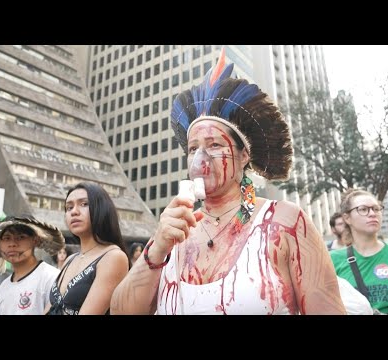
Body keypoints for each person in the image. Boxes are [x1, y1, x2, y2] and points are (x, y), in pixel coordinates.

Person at [111, 48, 346, 315]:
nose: (200, 158)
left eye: (214, 145)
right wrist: (157, 247)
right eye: (192, 149)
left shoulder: (286, 223)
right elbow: (121, 311)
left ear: (244, 154)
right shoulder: (174, 233)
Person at [45, 182, 130, 315]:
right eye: (69, 207)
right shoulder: (69, 260)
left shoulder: (113, 257)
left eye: (84, 204)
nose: (74, 212)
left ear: (102, 209)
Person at [0, 215, 63, 315]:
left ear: (35, 240)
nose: (12, 244)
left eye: (21, 237)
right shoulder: (4, 286)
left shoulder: (51, 277)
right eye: (6, 238)